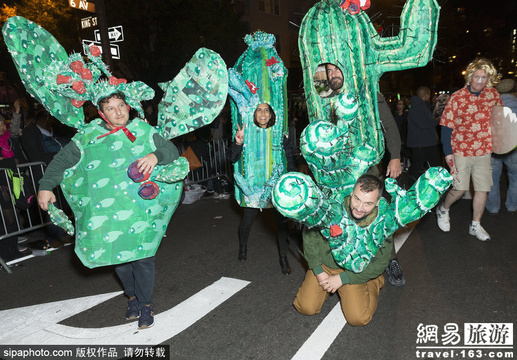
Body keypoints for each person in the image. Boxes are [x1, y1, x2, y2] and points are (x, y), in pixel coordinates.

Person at [37, 91, 180, 329]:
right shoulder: (88, 136)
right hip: (108, 211)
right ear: (102, 113)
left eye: (121, 105)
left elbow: (172, 151)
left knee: (144, 258)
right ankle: (133, 297)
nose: (119, 112)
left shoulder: (144, 131)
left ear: (128, 106)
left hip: (142, 208)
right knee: (121, 260)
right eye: (111, 108)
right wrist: (45, 186)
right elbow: (61, 162)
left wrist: (156, 156)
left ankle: (146, 305)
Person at [293, 175, 390, 326]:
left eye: (368, 203)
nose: (359, 207)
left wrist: (343, 279)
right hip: (326, 265)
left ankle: (374, 281)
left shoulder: (383, 221)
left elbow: (380, 262)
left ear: (377, 203)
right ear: (351, 192)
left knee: (358, 319)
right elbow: (310, 235)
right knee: (305, 307)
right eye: (357, 199)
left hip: (355, 270)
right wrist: (318, 270)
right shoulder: (332, 205)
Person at [436, 58, 503, 241]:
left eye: (484, 78)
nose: (480, 81)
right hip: (461, 150)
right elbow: (446, 129)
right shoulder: (457, 97)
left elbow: (499, 121)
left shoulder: (493, 95)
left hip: (484, 150)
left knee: (483, 189)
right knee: (459, 188)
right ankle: (443, 209)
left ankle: (475, 225)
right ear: (470, 77)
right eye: (477, 77)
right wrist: (449, 158)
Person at [228, 103, 297, 274]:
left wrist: (292, 180)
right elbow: (231, 158)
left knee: (282, 225)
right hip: (252, 189)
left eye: (266, 109)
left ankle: (283, 258)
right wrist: (238, 142)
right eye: (259, 110)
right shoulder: (246, 133)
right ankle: (243, 247)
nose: (263, 113)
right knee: (246, 222)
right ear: (254, 114)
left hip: (275, 187)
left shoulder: (280, 135)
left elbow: (290, 159)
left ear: (272, 114)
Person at [486, 79, 517, 214]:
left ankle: (493, 207)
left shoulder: (490, 108)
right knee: (515, 178)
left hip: (494, 148)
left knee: (492, 179)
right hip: (514, 148)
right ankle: (512, 205)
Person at [406, 86, 441, 186]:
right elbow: (424, 123)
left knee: (423, 166)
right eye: (429, 94)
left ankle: (414, 187)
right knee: (419, 167)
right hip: (422, 142)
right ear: (425, 95)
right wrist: (436, 121)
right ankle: (412, 187)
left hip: (423, 142)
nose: (430, 97)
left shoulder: (419, 106)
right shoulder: (418, 106)